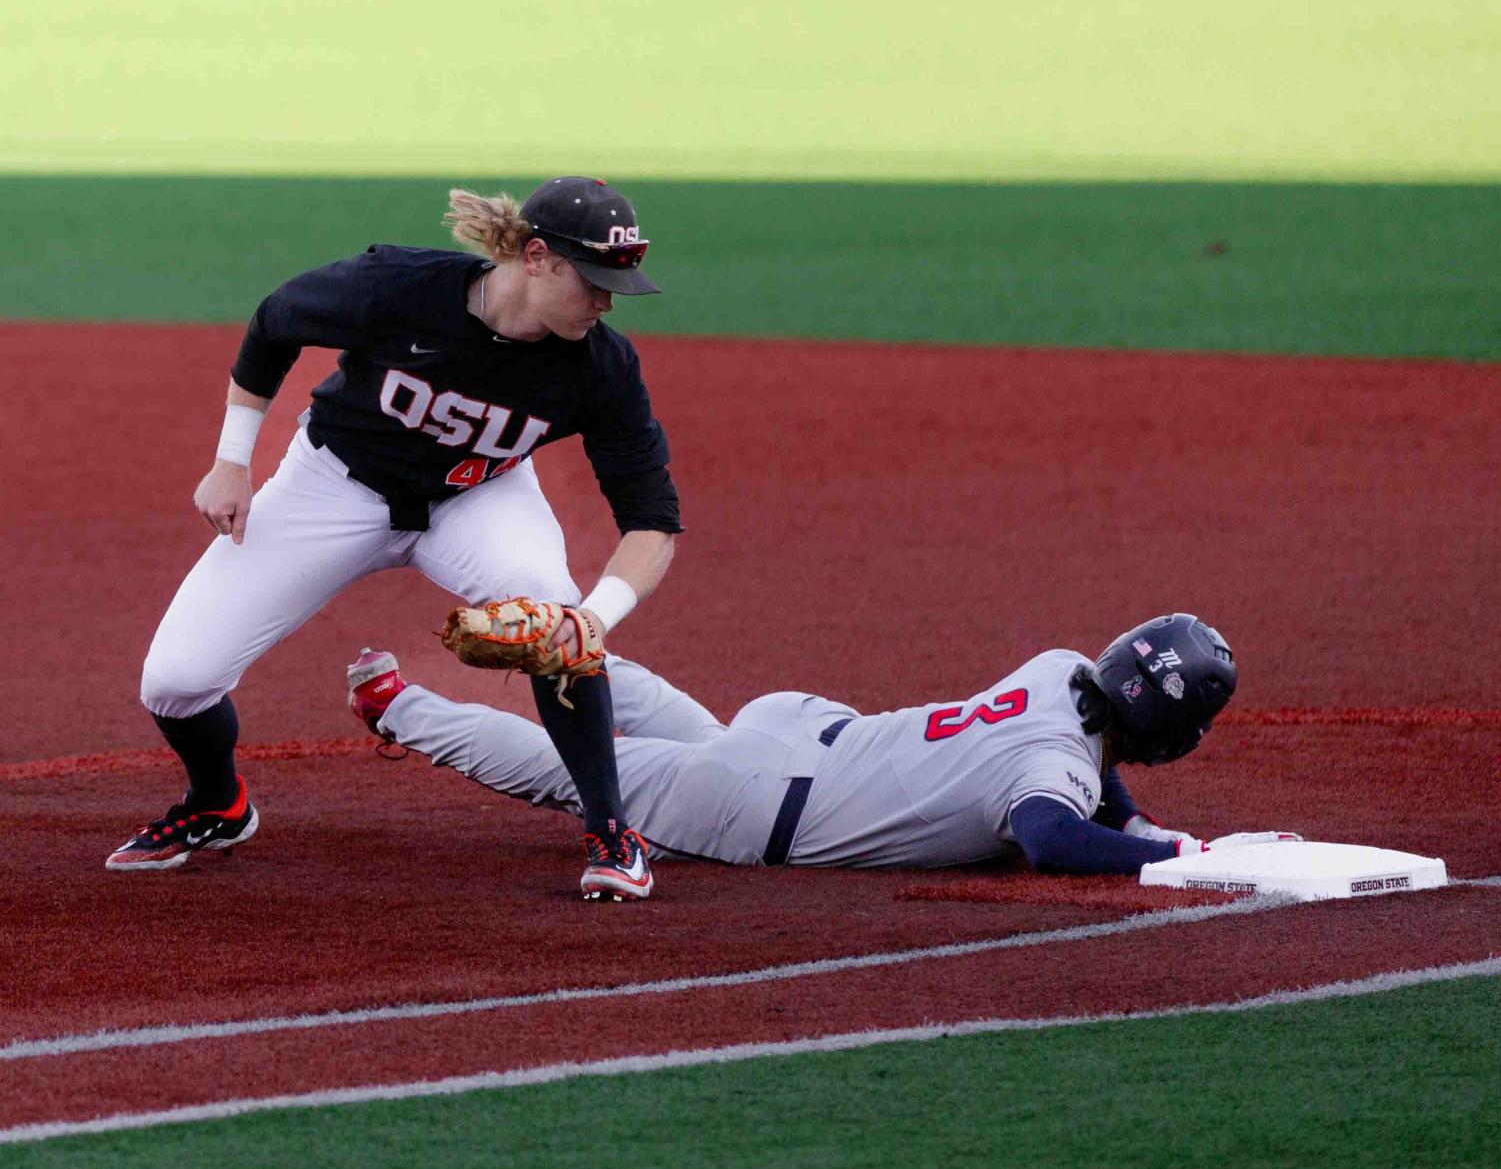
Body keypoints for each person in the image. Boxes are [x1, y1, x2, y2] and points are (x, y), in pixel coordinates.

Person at [109, 176, 680, 901]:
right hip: (334, 485)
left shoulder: (601, 366)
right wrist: (231, 460)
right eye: (593, 282)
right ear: (536, 257)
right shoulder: (401, 288)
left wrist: (586, 622)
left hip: (477, 498)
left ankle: (610, 831)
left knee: (551, 617)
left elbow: (652, 521)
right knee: (176, 680)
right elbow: (276, 319)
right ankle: (217, 804)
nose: (604, 302)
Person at [344, 614, 1300, 878]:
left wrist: (1139, 819)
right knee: (570, 773)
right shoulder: (1046, 774)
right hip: (758, 804)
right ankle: (397, 702)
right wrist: (1165, 852)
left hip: (794, 724)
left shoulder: (1056, 669)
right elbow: (1053, 834)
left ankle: (571, 643)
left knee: (683, 728)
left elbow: (1094, 772)